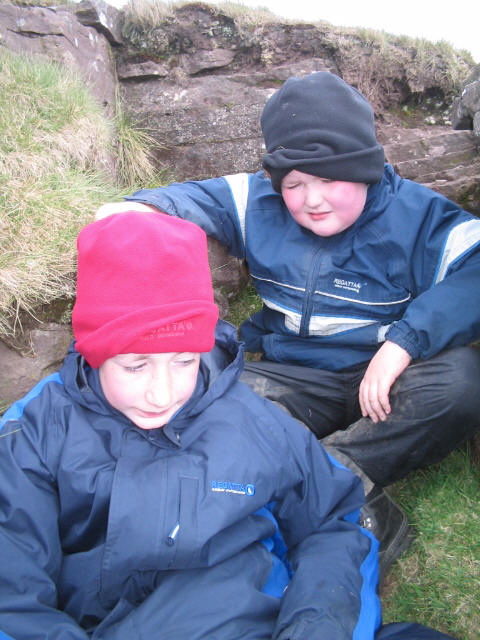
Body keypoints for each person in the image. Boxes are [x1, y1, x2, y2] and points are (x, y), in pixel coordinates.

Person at [95, 71, 480, 581]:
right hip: (293, 374)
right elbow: (191, 198)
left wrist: (404, 343)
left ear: (365, 170)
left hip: (391, 378)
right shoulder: (258, 200)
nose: (311, 200)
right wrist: (134, 211)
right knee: (220, 406)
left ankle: (315, 475)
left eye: (329, 179)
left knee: (462, 383)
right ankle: (336, 484)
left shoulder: (421, 216)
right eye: (295, 183)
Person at [0, 212, 456, 640]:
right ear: (95, 352)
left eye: (184, 360)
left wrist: (315, 628)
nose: (162, 394)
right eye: (135, 366)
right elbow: (12, 591)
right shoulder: (35, 433)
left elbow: (334, 523)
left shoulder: (252, 419)